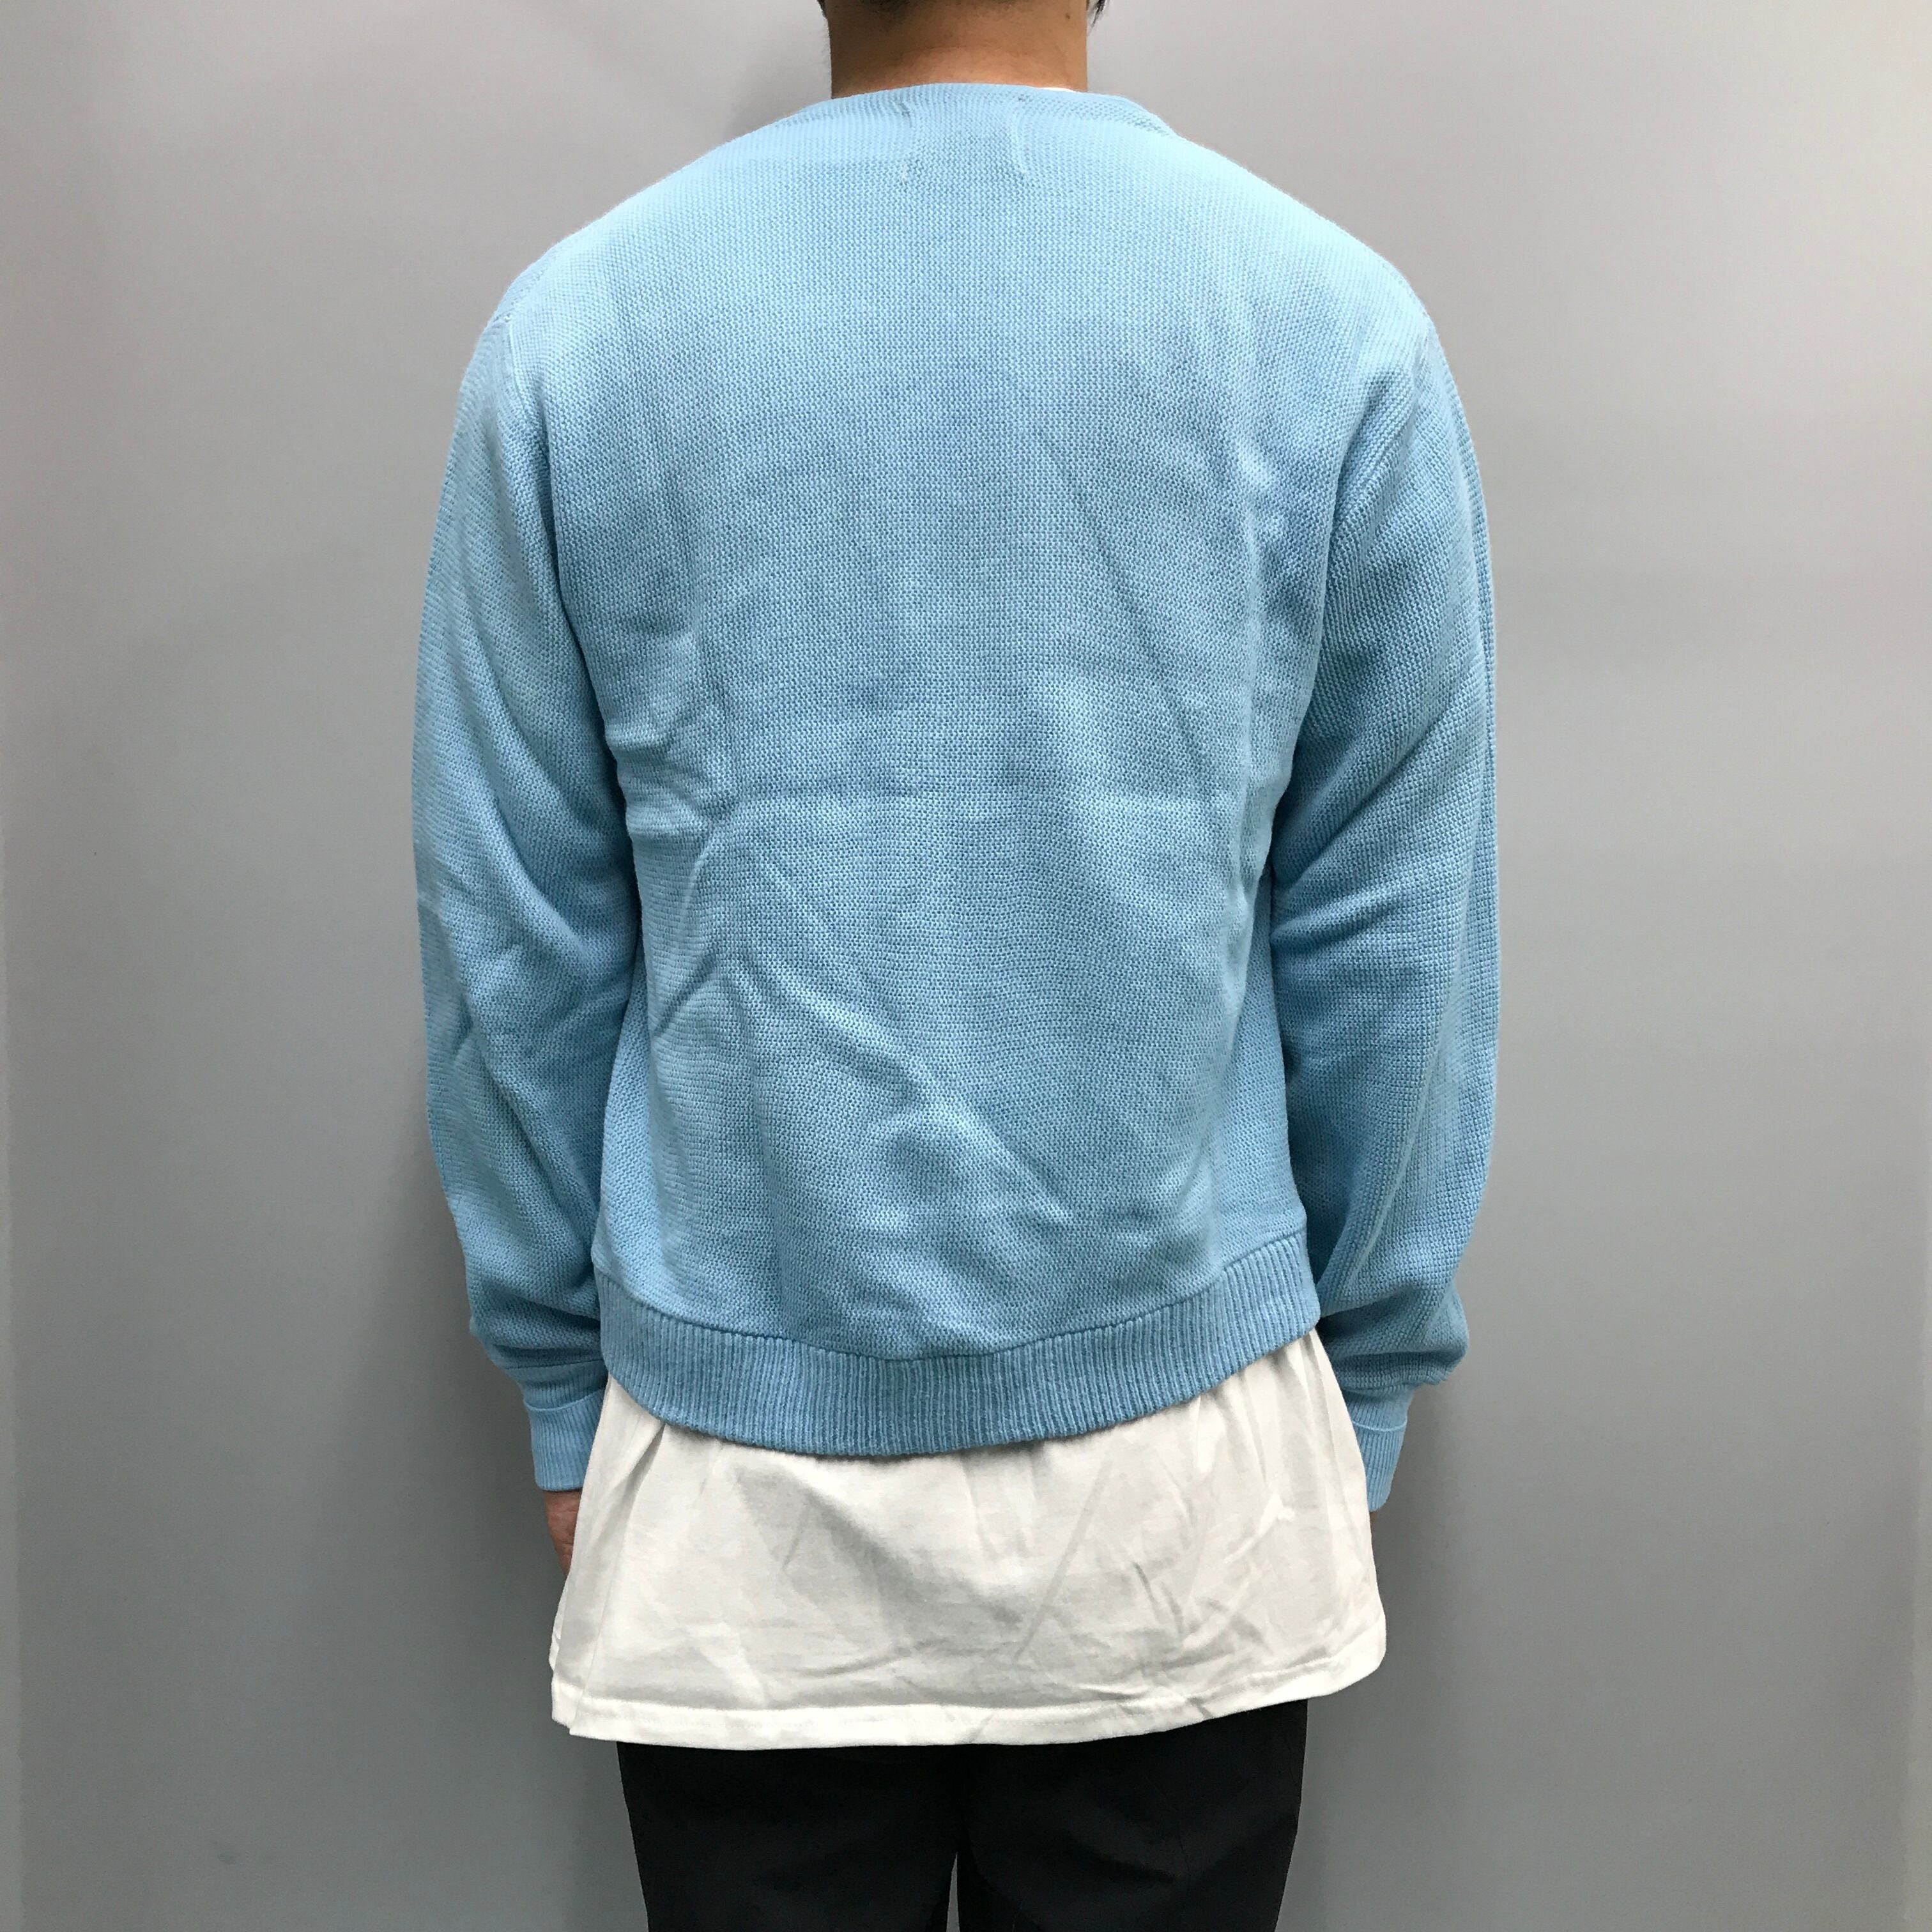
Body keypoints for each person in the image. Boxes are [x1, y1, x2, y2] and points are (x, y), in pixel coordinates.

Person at [410, 0, 1498, 1922]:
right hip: (1181, 1504)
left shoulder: (580, 333)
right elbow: (1392, 940)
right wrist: (1376, 1373)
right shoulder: (1334, 328)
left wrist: (564, 1384)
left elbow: (515, 939)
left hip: (745, 1517)